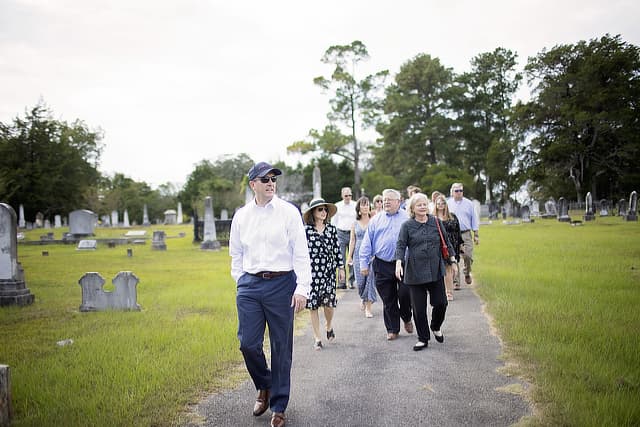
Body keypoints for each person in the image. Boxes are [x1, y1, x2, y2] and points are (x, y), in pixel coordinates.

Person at [229, 161, 312, 427]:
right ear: (253, 184)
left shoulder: (289, 212)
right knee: (248, 344)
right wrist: (240, 279)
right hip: (250, 286)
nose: (271, 183)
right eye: (265, 179)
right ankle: (264, 384)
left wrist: (302, 288)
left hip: (281, 284)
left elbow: (301, 252)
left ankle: (278, 406)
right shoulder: (241, 216)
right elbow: (236, 254)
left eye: (273, 179)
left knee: (281, 347)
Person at [395, 193, 456, 351]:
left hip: (435, 269)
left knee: (441, 303)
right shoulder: (407, 226)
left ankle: (435, 326)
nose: (422, 207)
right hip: (414, 272)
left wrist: (453, 261)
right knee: (419, 309)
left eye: (424, 204)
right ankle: (423, 338)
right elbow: (401, 245)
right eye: (419, 205)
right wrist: (398, 263)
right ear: (413, 208)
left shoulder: (436, 222)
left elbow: (447, 242)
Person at [359, 189, 413, 341]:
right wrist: (363, 263)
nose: (386, 202)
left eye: (390, 199)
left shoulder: (407, 218)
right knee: (388, 299)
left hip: (404, 263)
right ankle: (392, 329)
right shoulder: (376, 220)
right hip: (382, 264)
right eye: (384, 199)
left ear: (399, 201)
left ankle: (407, 317)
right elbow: (367, 243)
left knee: (405, 294)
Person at [302, 198, 344, 350]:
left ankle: (329, 325)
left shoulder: (331, 229)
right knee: (313, 306)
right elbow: (300, 253)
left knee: (328, 304)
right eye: (320, 209)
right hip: (311, 273)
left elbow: (337, 250)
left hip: (328, 272)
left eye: (325, 209)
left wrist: (341, 268)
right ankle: (317, 338)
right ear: (313, 212)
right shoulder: (306, 231)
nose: (324, 212)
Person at [347, 196, 377, 318]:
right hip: (358, 254)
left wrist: (376, 253)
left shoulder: (374, 221)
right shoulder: (354, 223)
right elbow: (352, 240)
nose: (365, 207)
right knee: (360, 283)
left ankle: (368, 308)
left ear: (369, 207)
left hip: (371, 254)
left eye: (366, 204)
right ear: (358, 208)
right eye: (362, 205)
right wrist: (349, 257)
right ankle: (363, 298)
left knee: (370, 280)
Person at [446, 183, 479, 285]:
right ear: (452, 192)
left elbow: (474, 219)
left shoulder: (469, 203)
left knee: (467, 256)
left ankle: (467, 272)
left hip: (465, 233)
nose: (459, 193)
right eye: (456, 191)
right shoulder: (448, 203)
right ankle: (456, 281)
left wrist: (476, 234)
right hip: (453, 233)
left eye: (461, 190)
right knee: (454, 257)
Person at [434, 194, 463, 300]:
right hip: (437, 246)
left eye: (443, 203)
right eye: (438, 203)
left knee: (449, 269)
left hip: (451, 246)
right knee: (438, 270)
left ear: (446, 204)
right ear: (435, 205)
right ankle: (439, 291)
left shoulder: (452, 216)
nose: (441, 205)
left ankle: (449, 292)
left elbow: (458, 231)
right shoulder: (432, 218)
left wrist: (461, 245)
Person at [331, 187, 357, 289]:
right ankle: (341, 282)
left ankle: (351, 281)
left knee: (351, 258)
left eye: (350, 195)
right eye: (346, 195)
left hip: (352, 233)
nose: (348, 197)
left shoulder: (355, 205)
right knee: (340, 258)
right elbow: (334, 221)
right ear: (342, 196)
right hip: (341, 233)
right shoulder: (338, 205)